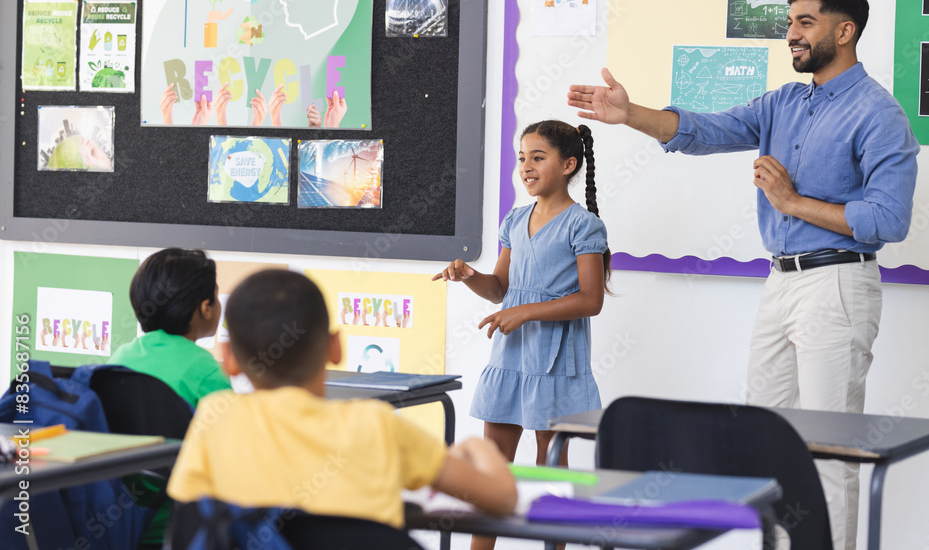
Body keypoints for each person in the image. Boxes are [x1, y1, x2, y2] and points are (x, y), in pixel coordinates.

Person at [568, 0, 919, 550]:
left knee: (829, 448)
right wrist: (630, 114)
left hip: (837, 284)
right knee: (768, 442)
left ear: (845, 30)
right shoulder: (784, 101)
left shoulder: (879, 114)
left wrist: (792, 203)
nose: (792, 35)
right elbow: (709, 130)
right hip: (780, 283)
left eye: (805, 22)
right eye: (790, 23)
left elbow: (889, 219)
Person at [167, 269, 516, 530]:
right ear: (336, 348)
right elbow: (502, 498)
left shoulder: (216, 420)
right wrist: (477, 447)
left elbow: (186, 523)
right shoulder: (375, 425)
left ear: (227, 358)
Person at [434, 120, 611, 550]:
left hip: (554, 360)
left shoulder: (583, 226)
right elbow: (499, 288)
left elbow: (591, 300)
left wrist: (526, 312)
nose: (526, 166)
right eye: (521, 158)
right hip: (510, 357)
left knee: (551, 469)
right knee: (493, 468)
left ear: (568, 164)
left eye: (538, 157)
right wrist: (469, 275)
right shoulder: (515, 219)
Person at [109, 247, 232, 548]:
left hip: (121, 526)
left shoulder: (120, 356)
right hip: (184, 531)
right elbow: (236, 454)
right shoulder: (203, 370)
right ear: (206, 307)